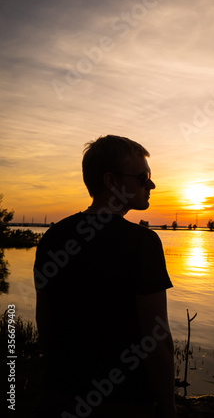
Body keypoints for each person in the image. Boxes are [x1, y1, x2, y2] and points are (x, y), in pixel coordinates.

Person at [34, 135, 176, 418]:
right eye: (142, 177)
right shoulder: (142, 243)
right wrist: (169, 406)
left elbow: (44, 322)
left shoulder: (52, 237)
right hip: (124, 402)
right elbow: (156, 340)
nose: (151, 184)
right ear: (111, 181)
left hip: (60, 397)